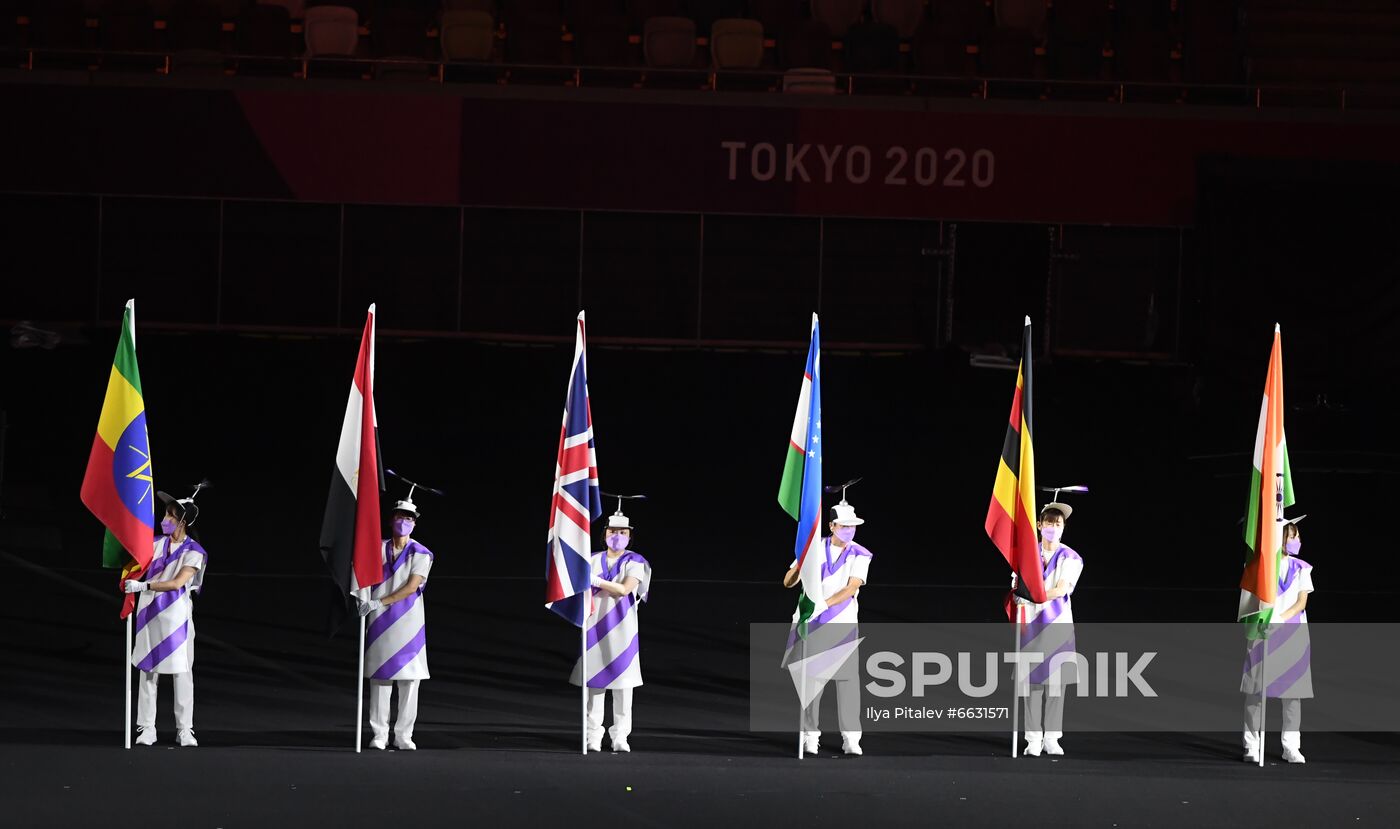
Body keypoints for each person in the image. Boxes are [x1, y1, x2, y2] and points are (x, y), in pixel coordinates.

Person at [783, 499, 872, 756]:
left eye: (852, 526)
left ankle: (851, 739)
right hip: (810, 623)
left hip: (841, 623)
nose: (849, 530)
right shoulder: (814, 549)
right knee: (811, 682)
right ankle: (810, 737)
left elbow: (852, 587)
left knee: (846, 682)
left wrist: (823, 604)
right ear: (831, 525)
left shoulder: (860, 554)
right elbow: (788, 583)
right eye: (844, 526)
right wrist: (799, 565)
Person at [124, 486, 209, 748]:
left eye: (171, 516)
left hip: (177, 620)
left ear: (183, 521)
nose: (166, 519)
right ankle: (147, 728)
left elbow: (176, 583)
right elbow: (131, 553)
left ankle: (185, 729)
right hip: (149, 615)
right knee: (148, 671)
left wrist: (143, 586)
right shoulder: (153, 543)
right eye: (165, 514)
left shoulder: (194, 551)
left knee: (182, 673)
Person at [570, 498, 652, 752]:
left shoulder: (636, 561)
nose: (617, 536)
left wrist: (593, 579)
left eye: (623, 532)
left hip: (623, 630)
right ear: (604, 534)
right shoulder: (591, 559)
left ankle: (620, 736)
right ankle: (592, 736)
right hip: (594, 628)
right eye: (613, 531)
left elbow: (624, 590)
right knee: (594, 685)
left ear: (630, 536)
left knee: (623, 685)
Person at [356, 494, 434, 750]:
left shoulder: (421, 553)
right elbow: (362, 575)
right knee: (380, 678)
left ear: (415, 523)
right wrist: (364, 598)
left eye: (409, 518)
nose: (404, 521)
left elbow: (412, 587)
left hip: (408, 622)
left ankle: (403, 735)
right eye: (400, 516)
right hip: (379, 621)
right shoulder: (376, 548)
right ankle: (379, 734)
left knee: (409, 679)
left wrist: (380, 601)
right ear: (392, 520)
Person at [1012, 501, 1083, 757]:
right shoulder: (1026, 556)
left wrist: (1031, 596)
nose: (1053, 527)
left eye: (1058, 524)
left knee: (1056, 686)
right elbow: (1016, 589)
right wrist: (1021, 596)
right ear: (1039, 525)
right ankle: (1032, 738)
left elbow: (1061, 589)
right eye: (1049, 523)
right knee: (1032, 685)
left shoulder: (1071, 558)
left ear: (1063, 528)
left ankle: (1052, 738)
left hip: (1057, 626)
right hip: (1031, 626)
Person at [1241, 515, 1313, 764]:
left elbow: (1302, 602)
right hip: (1263, 632)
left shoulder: (1302, 568)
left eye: (1298, 537)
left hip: (1292, 634)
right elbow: (1250, 598)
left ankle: (1291, 746)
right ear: (1279, 538)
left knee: (1292, 695)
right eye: (1293, 536)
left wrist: (1281, 618)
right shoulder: (1260, 568)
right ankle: (1252, 745)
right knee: (1255, 691)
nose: (1297, 541)